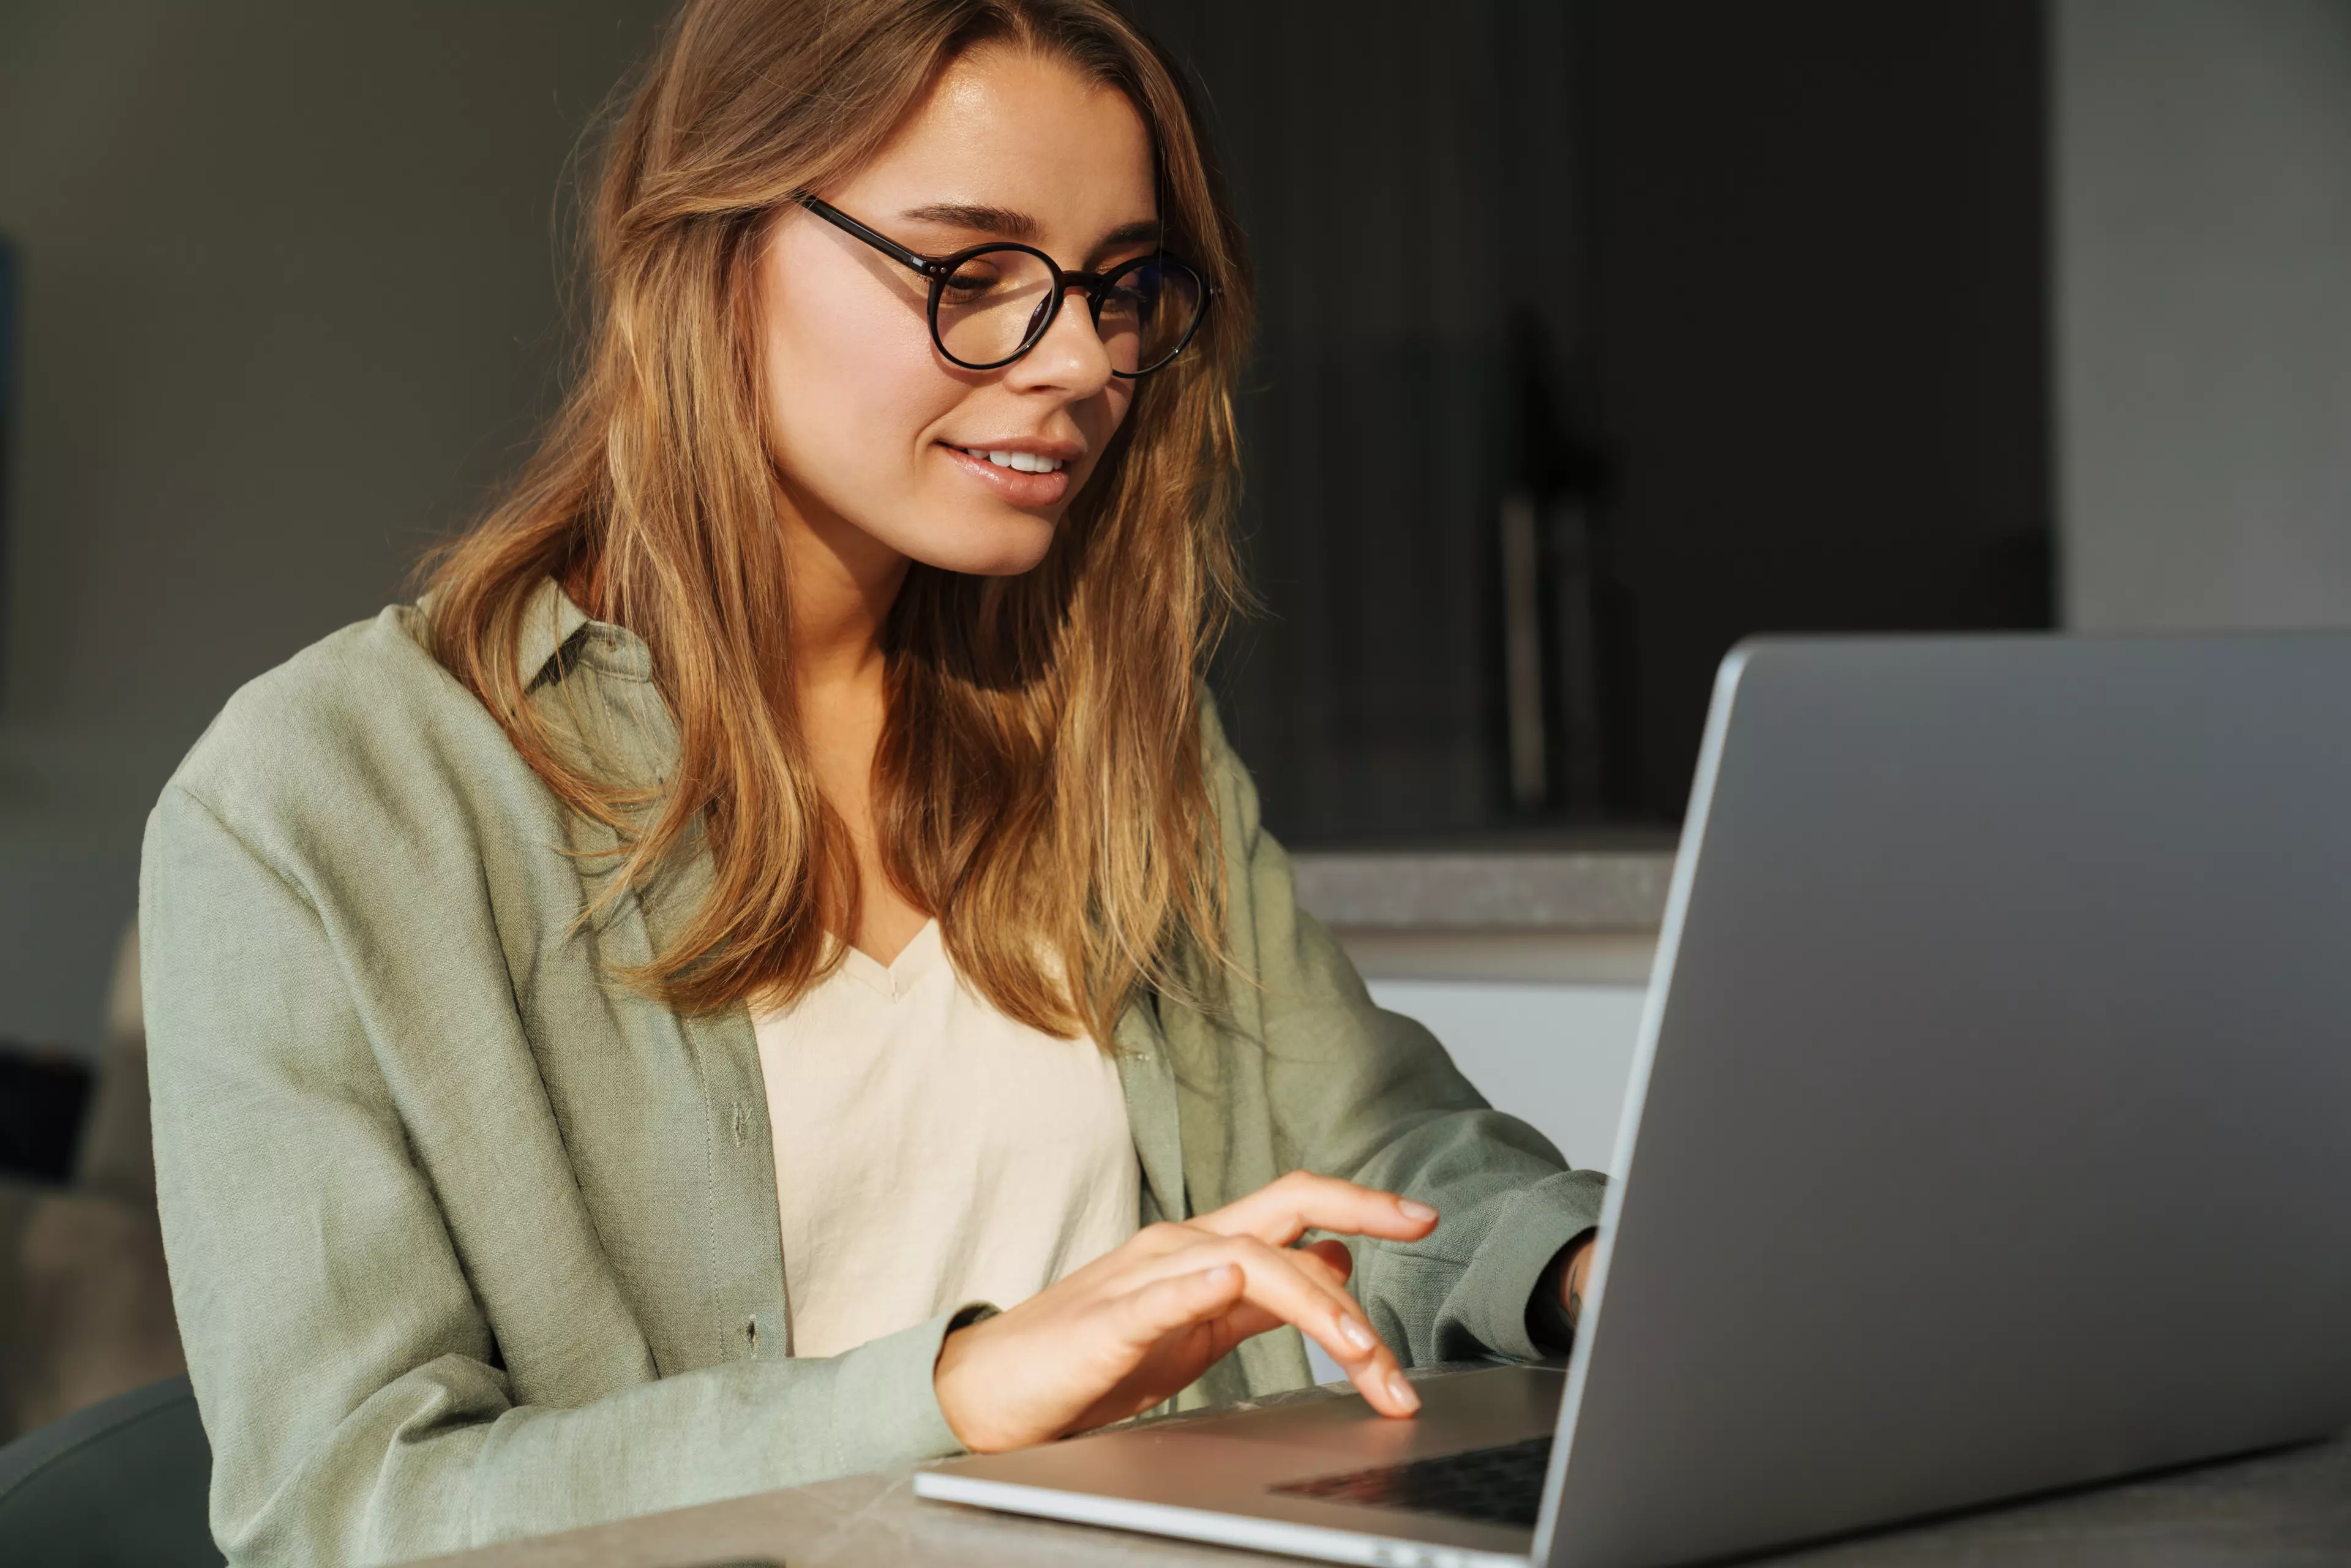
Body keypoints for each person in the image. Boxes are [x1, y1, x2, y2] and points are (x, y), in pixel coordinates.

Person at [138, 1, 1607, 1562]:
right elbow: (353, 1507)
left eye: (1120, 287)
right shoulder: (321, 800)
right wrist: (964, 1384)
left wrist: (1593, 1266)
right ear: (713, 247)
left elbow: (1375, 1160)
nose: (1078, 361)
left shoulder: (1108, 724)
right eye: (971, 273)